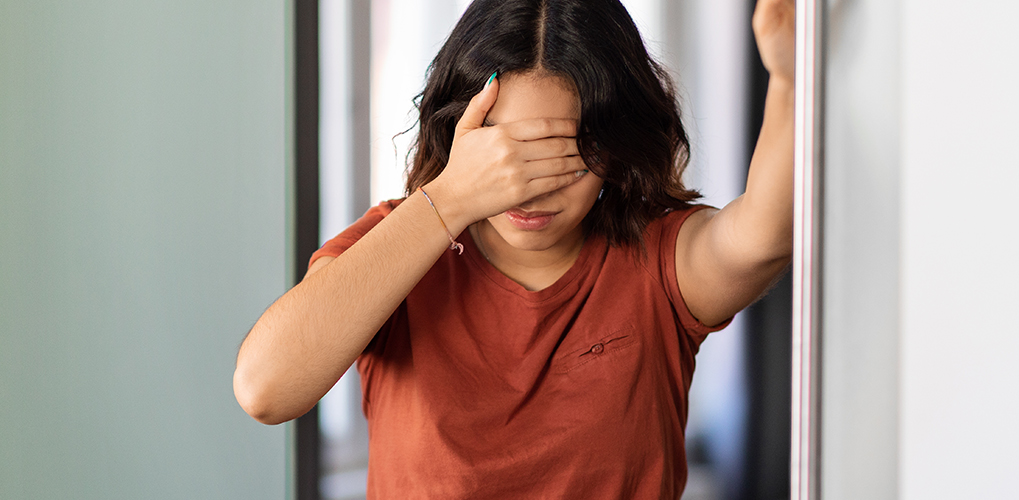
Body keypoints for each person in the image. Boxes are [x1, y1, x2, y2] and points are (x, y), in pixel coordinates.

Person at [234, 0, 795, 496]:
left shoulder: (658, 261)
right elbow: (265, 390)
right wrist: (450, 197)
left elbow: (765, 233)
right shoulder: (398, 245)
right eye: (507, 155)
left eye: (563, 155)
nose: (533, 187)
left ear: (616, 146)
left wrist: (791, 81)